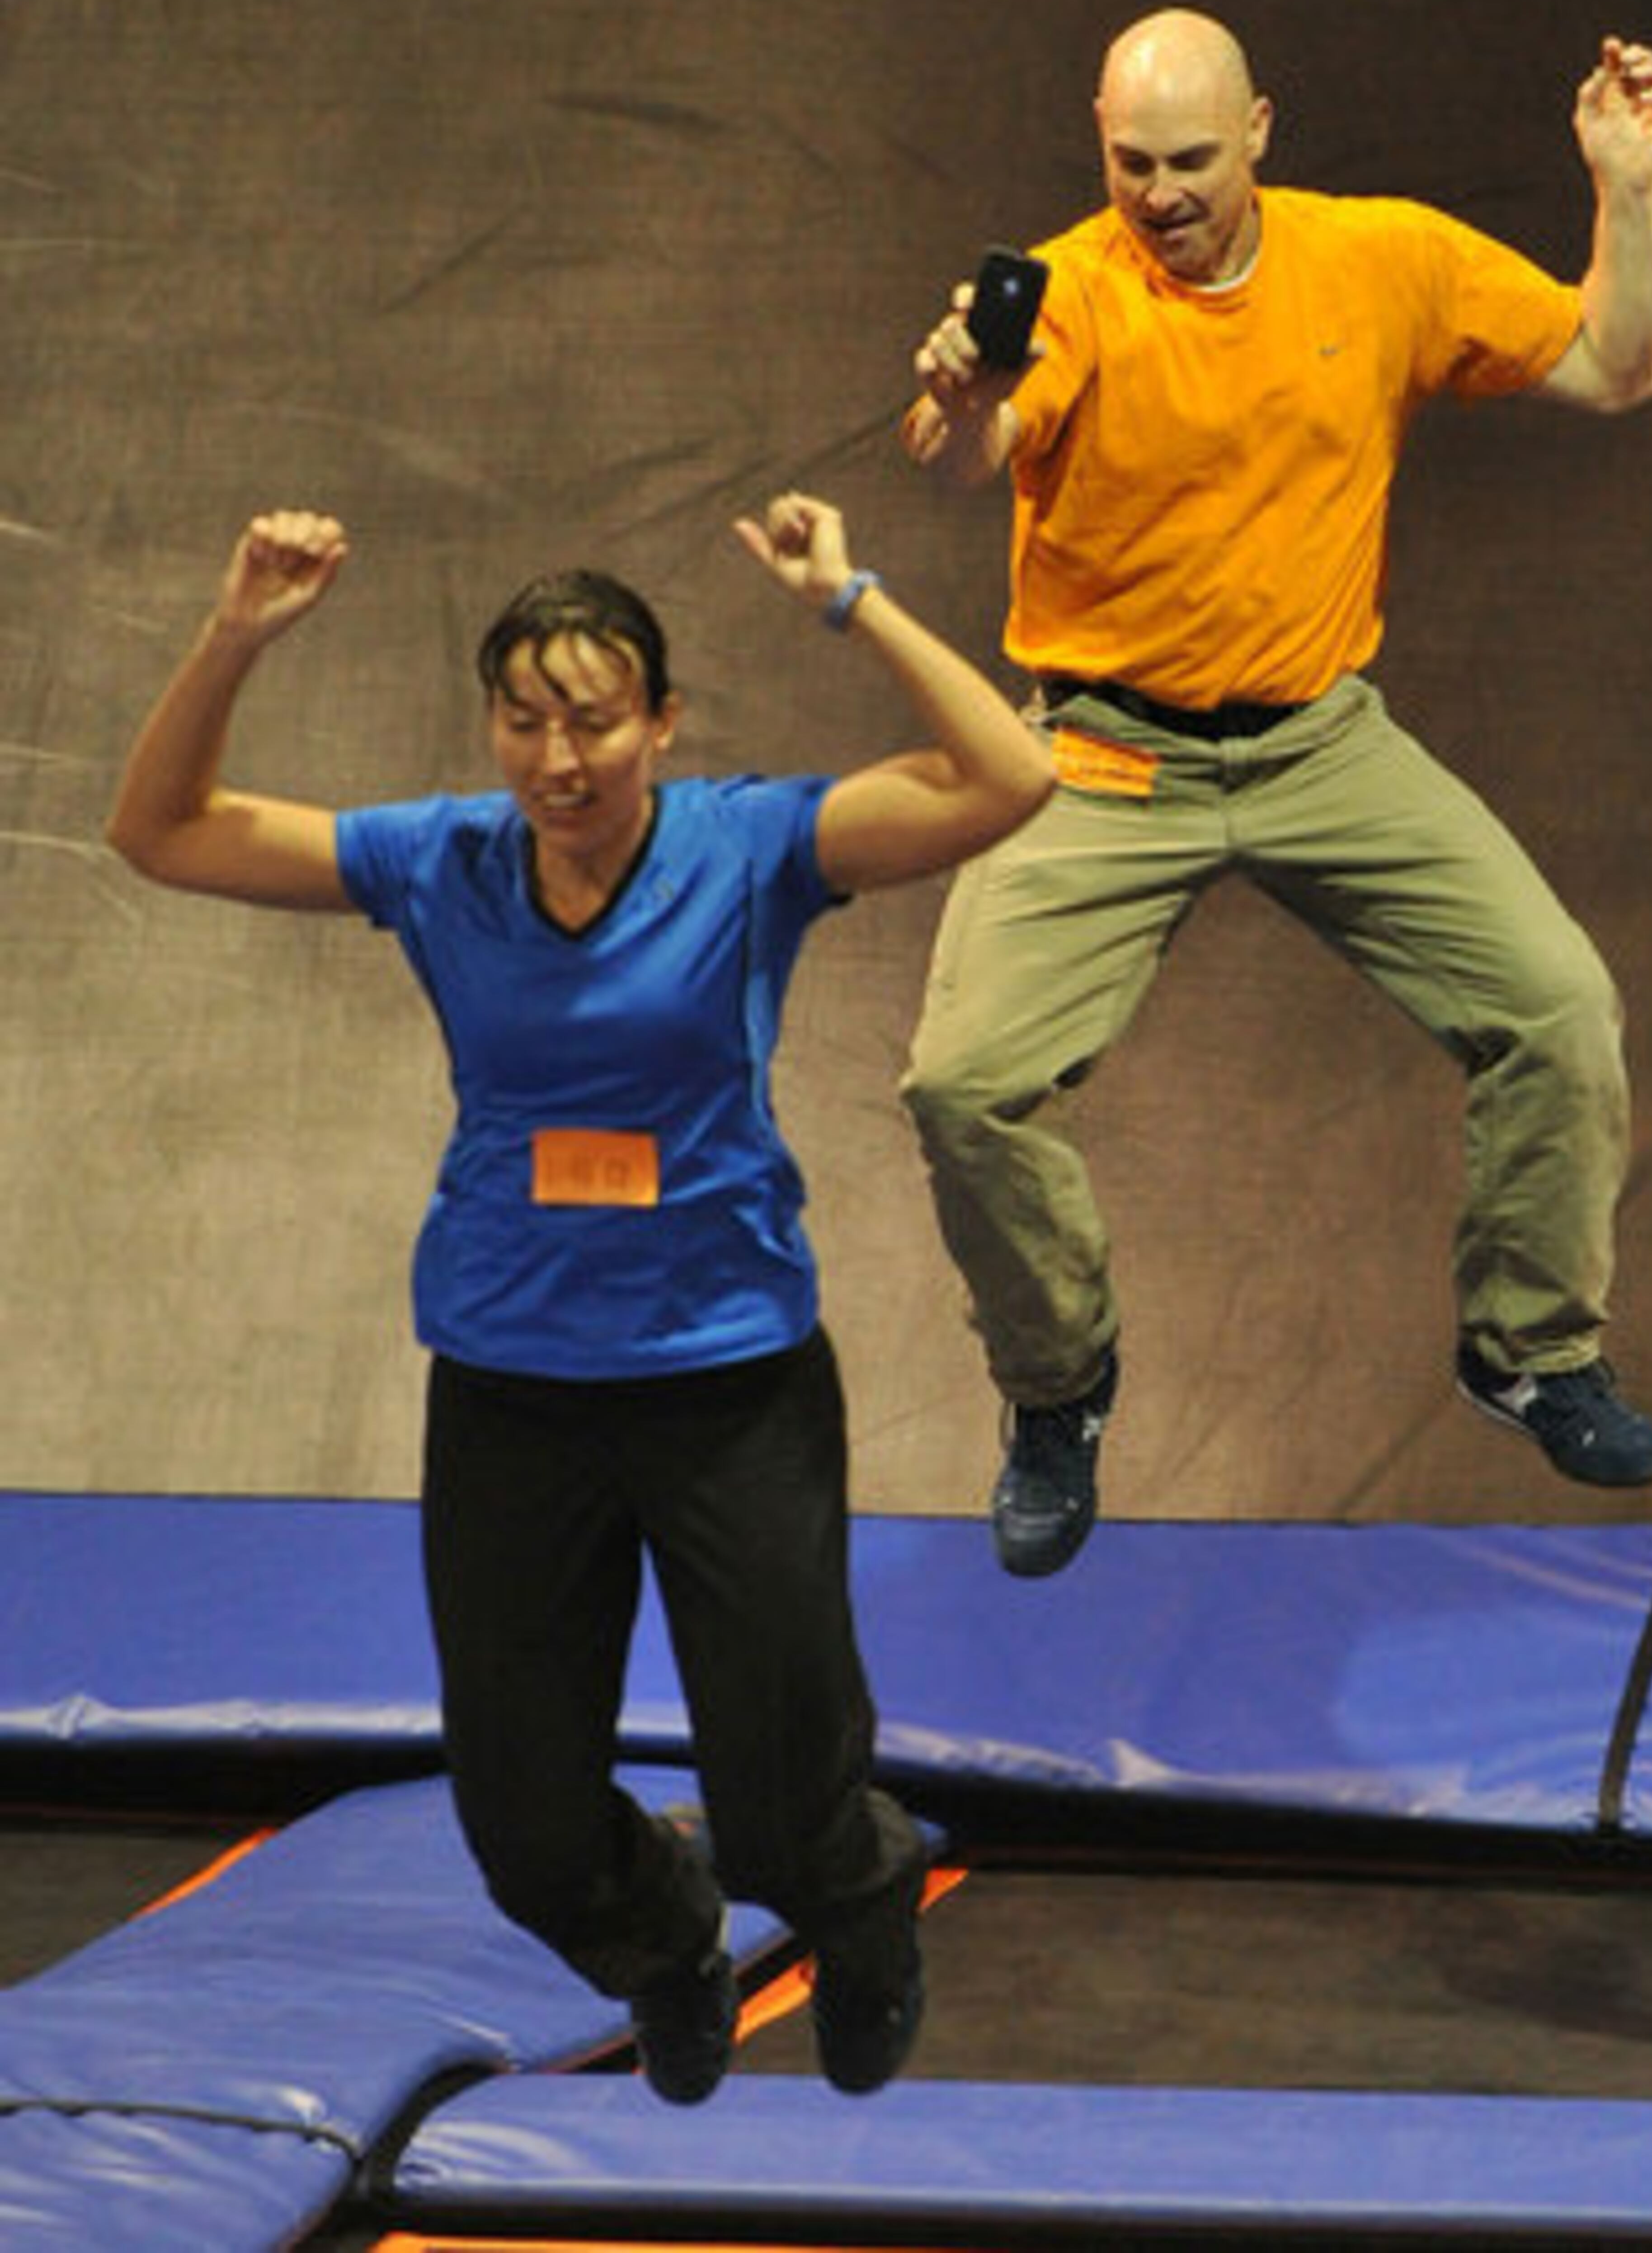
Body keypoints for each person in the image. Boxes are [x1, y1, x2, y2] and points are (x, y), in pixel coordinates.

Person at [105, 491, 1053, 2100]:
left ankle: (862, 1902)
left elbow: (1008, 781)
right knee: (528, 1831)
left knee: (782, 1810)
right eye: (526, 722)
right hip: (511, 1388)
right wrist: (237, 635)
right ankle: (669, 1943)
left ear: (661, 723)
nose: (560, 760)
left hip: (728, 1381)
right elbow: (160, 830)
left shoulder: (751, 847)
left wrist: (852, 598)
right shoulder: (438, 860)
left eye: (597, 723)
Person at [899, 10, 1652, 1577]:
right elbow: (957, 455)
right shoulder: (1074, 290)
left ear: (1261, 129)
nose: (1161, 195)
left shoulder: (1378, 259)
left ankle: (1528, 1350)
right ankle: (1058, 1390)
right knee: (962, 1086)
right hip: (1107, 757)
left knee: (1559, 1009)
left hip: (1321, 742)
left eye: (1192, 160)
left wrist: (1627, 190)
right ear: (1099, 139)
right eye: (1133, 163)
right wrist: (968, 393)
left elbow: (1617, 367)